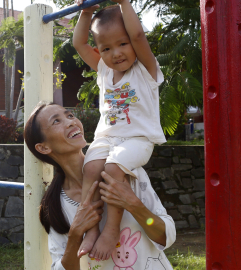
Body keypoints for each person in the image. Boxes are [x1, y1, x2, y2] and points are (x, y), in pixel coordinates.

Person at [25, 102, 175, 269]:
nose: (71, 122)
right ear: (43, 147)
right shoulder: (56, 205)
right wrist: (76, 234)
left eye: (69, 115)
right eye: (56, 121)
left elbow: (166, 236)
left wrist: (133, 204)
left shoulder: (121, 168)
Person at [72, 0, 167, 260]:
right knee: (90, 168)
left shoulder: (146, 70)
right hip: (107, 137)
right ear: (99, 51)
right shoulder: (104, 69)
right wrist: (85, 12)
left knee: (112, 169)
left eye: (122, 44)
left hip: (138, 139)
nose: (116, 53)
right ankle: (91, 230)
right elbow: (79, 44)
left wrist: (124, 2)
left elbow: (137, 34)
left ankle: (111, 230)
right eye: (106, 48)